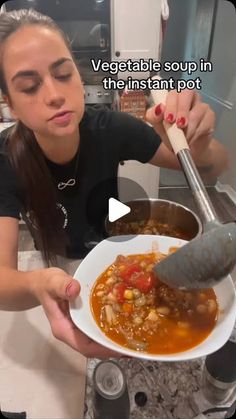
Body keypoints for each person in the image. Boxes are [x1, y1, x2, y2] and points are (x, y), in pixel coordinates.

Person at [0, 9, 228, 358]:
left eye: (63, 74)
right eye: (29, 87)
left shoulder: (112, 127)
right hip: (59, 263)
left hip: (117, 247)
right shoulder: (6, 160)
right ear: (10, 105)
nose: (54, 95)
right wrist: (37, 283)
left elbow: (212, 168)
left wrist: (198, 144)